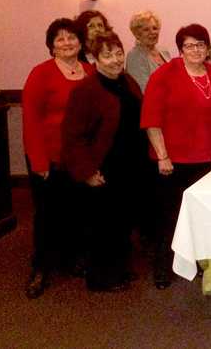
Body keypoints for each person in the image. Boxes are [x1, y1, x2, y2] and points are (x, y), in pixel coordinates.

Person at [140, 23, 211, 289]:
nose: (195, 50)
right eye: (189, 45)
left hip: (208, 160)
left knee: (202, 217)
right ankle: (163, 266)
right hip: (173, 160)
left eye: (200, 45)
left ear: (208, 48)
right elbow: (151, 120)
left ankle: (199, 263)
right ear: (181, 49)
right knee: (168, 216)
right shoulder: (164, 75)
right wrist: (162, 156)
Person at [61, 32, 145, 292]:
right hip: (103, 166)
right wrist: (87, 171)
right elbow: (73, 136)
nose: (115, 60)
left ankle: (119, 269)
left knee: (122, 222)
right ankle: (101, 279)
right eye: (107, 55)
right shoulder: (85, 90)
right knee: (103, 226)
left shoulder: (128, 81)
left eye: (118, 53)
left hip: (129, 164)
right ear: (94, 58)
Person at [22, 18, 96, 298]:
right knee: (47, 216)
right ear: (51, 45)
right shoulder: (40, 74)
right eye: (60, 39)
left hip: (80, 159)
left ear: (80, 42)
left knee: (77, 212)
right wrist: (38, 162)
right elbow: (31, 121)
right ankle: (40, 268)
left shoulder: (90, 71)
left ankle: (72, 259)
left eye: (72, 37)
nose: (67, 43)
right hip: (49, 158)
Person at [125, 10, 171, 92]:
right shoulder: (134, 56)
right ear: (137, 34)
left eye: (155, 28)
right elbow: (144, 89)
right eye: (146, 29)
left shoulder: (164, 51)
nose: (152, 32)